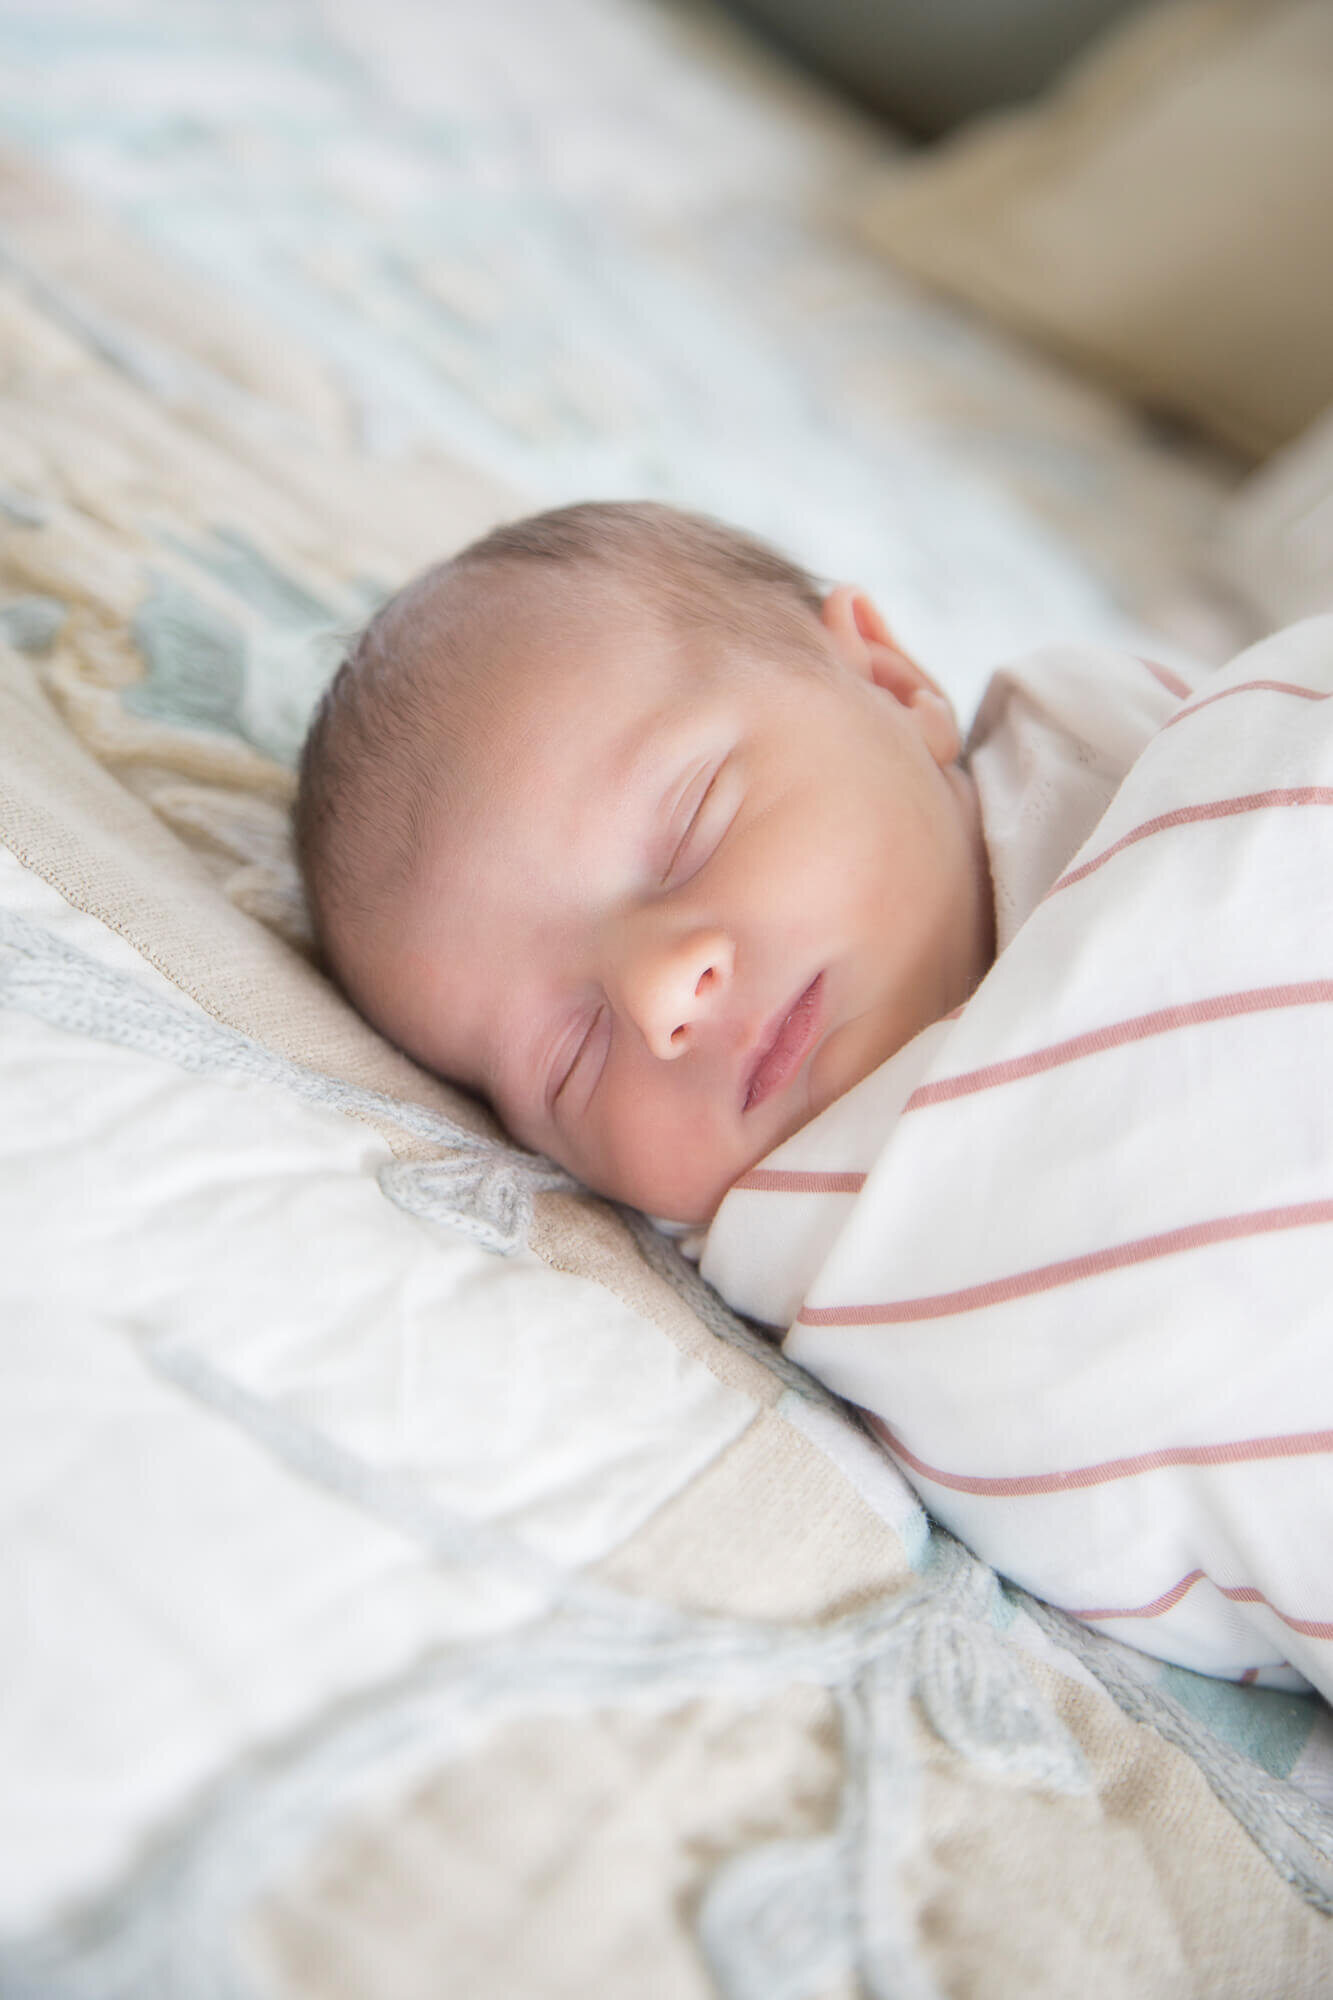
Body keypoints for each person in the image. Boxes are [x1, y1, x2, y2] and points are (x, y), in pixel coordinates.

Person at [295, 499, 1178, 1225]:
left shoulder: (1140, 757)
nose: (660, 997)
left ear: (889, 682)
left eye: (694, 831)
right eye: (566, 1061)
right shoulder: (842, 1272)